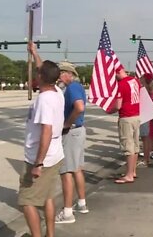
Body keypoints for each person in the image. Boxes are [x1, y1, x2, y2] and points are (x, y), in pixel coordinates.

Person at [19, 42, 65, 237]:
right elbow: (43, 68)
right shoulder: (57, 92)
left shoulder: (45, 100)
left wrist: (38, 163)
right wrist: (35, 53)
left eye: (38, 73)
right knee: (47, 197)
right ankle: (50, 234)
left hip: (40, 159)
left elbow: (46, 130)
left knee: (26, 201)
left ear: (40, 78)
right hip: (55, 155)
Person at [49, 61, 88, 224]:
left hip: (71, 133)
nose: (57, 76)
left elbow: (78, 107)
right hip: (78, 131)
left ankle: (67, 212)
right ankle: (81, 203)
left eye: (59, 72)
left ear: (67, 73)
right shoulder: (77, 87)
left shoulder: (71, 88)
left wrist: (66, 123)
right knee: (77, 168)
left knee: (66, 172)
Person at [109, 66, 141, 184]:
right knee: (135, 145)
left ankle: (129, 175)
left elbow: (118, 105)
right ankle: (132, 171)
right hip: (136, 115)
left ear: (117, 73)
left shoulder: (121, 84)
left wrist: (109, 110)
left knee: (128, 146)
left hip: (126, 117)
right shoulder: (135, 81)